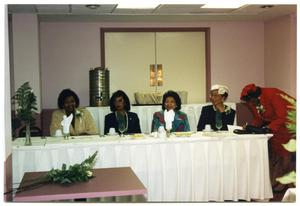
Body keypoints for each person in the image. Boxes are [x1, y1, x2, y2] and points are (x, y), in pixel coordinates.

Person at [240, 83, 296, 193]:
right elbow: (258, 119)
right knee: (273, 152)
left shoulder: (273, 94)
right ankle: (275, 181)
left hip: (291, 122)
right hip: (278, 126)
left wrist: (268, 128)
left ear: (256, 97)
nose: (250, 104)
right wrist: (250, 128)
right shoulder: (253, 101)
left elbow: (283, 116)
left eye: (250, 101)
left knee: (284, 153)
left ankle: (285, 183)